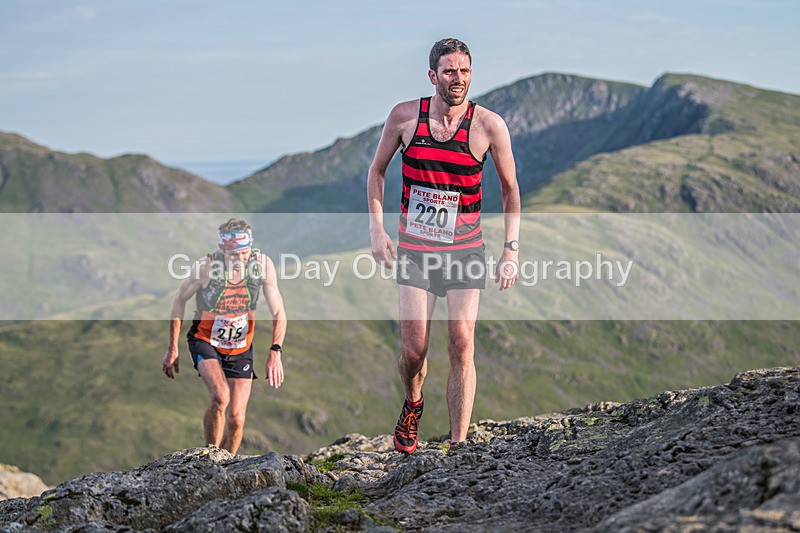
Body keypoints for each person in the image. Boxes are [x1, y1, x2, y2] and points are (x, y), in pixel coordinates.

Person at [367, 38, 521, 454]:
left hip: (466, 250)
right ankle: (414, 401)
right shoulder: (405, 117)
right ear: (433, 75)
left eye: (465, 71)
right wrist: (377, 230)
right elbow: (377, 172)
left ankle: (458, 444)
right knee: (414, 350)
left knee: (461, 343)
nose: (458, 79)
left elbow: (510, 191)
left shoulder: (489, 125)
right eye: (450, 71)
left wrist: (511, 250)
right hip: (415, 250)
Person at [162, 218, 287, 454]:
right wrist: (173, 347)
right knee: (221, 396)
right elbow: (179, 300)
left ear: (251, 247)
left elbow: (279, 310)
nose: (240, 259)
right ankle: (210, 458)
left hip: (240, 346)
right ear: (222, 250)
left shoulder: (262, 266)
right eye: (233, 255)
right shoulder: (205, 268)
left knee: (237, 418)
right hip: (205, 340)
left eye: (244, 253)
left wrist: (275, 351)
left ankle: (227, 467)